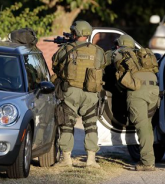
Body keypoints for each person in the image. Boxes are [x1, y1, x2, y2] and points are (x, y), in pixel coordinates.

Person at [52, 20, 106, 168]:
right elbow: (102, 66)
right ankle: (91, 160)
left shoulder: (67, 49)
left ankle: (66, 159)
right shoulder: (98, 50)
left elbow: (55, 64)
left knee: (67, 124)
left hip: (71, 92)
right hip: (91, 93)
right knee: (91, 125)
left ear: (75, 33)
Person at [110, 35, 159, 171]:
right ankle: (149, 159)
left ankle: (147, 163)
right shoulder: (141, 55)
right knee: (147, 126)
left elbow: (115, 76)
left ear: (119, 45)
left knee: (142, 127)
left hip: (138, 91)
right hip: (154, 89)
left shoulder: (120, 54)